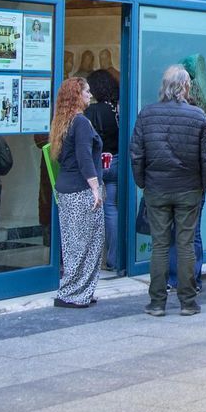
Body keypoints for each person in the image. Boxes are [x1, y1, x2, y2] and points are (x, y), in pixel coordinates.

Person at [130, 65, 206, 316]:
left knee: (160, 245)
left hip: (157, 187)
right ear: (186, 87)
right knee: (185, 243)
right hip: (189, 188)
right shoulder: (198, 116)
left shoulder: (147, 114)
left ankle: (157, 302)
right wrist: (202, 186)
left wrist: (142, 181)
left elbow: (137, 153)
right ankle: (187, 302)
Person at [50, 76, 105, 308]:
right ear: (76, 96)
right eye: (86, 92)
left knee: (74, 244)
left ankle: (76, 290)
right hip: (81, 189)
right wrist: (95, 189)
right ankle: (74, 293)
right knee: (88, 244)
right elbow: (84, 157)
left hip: (66, 189)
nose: (90, 95)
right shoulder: (81, 122)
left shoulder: (63, 121)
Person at [82, 70, 124, 277]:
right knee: (111, 210)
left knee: (90, 210)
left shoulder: (92, 111)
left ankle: (89, 260)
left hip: (96, 165)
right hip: (116, 162)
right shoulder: (118, 109)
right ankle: (114, 259)